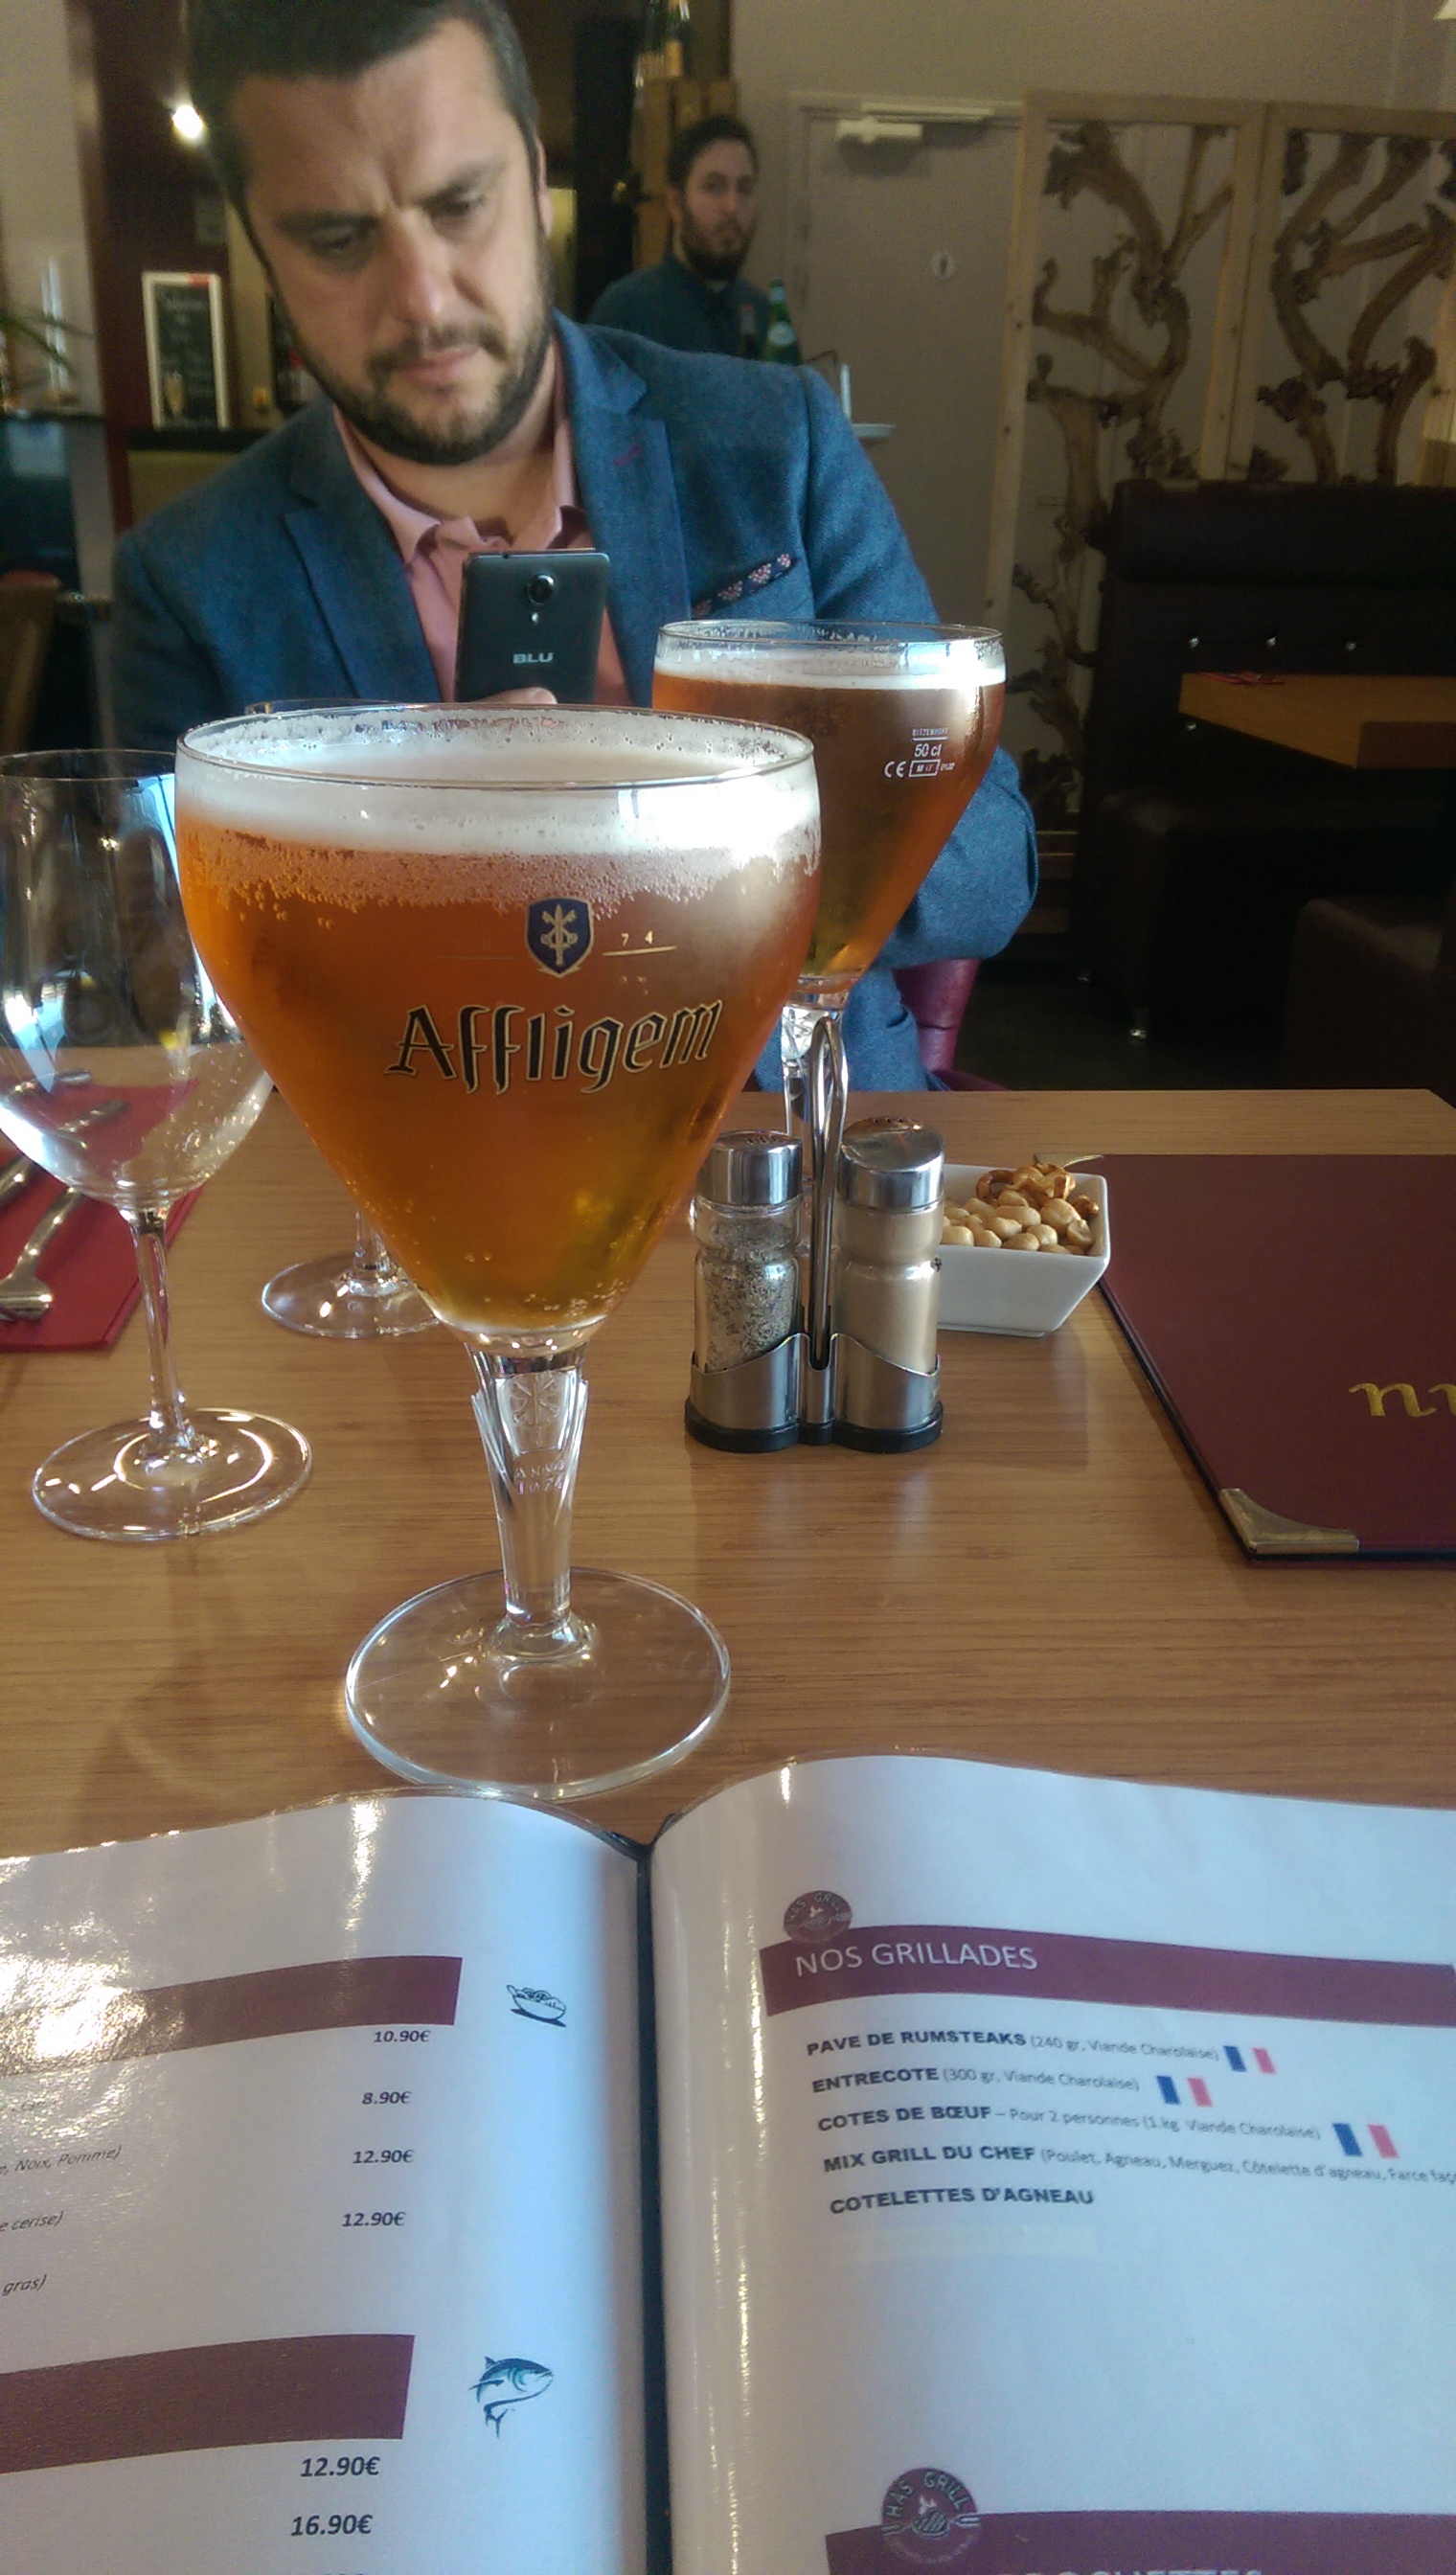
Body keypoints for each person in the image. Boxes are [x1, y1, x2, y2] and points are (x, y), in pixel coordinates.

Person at [113, 0, 1035, 1090]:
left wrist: (655, 846)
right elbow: (156, 984)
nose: (423, 300)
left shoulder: (774, 443)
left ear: (535, 171)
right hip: (410, 1159)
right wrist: (411, 851)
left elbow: (991, 857)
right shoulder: (192, 577)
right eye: (336, 238)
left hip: (788, 1141)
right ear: (258, 244)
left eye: (461, 203)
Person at [588, 114, 771, 360]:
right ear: (676, 203)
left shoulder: (764, 316)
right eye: (714, 186)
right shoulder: (625, 311)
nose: (732, 206)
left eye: (745, 188)